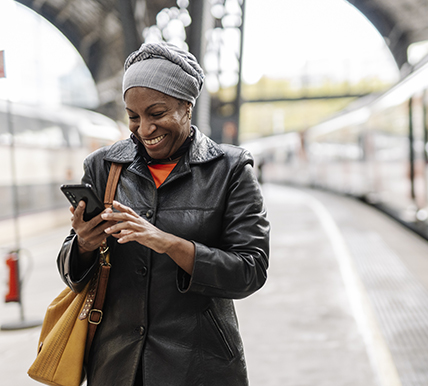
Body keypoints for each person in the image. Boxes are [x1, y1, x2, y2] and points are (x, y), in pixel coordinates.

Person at [57, 42, 270, 386]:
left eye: (156, 114)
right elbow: (70, 272)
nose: (144, 129)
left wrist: (170, 244)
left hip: (201, 368)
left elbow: (250, 270)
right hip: (117, 368)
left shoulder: (230, 169)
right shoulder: (104, 166)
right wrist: (82, 244)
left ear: (187, 107)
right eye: (133, 116)